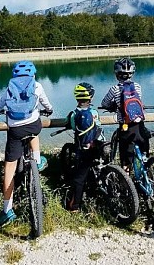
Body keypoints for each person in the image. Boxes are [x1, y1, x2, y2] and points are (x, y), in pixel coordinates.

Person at [0, 60, 53, 226]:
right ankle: (38, 160)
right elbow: (46, 104)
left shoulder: (10, 87)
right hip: (33, 126)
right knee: (34, 133)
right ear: (33, 74)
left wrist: (0, 110)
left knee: (9, 168)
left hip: (15, 131)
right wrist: (49, 110)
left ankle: (7, 210)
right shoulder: (37, 85)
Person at [100, 57, 149, 168]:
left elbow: (104, 103)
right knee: (144, 153)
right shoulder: (137, 86)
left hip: (125, 126)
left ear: (117, 74)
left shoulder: (114, 89)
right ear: (132, 73)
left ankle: (126, 176)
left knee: (125, 159)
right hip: (140, 125)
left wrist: (112, 106)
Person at [65, 82, 104, 212]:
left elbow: (72, 126)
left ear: (76, 98)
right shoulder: (94, 112)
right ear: (91, 97)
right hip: (100, 145)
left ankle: (74, 206)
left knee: (79, 178)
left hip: (85, 149)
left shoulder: (74, 114)